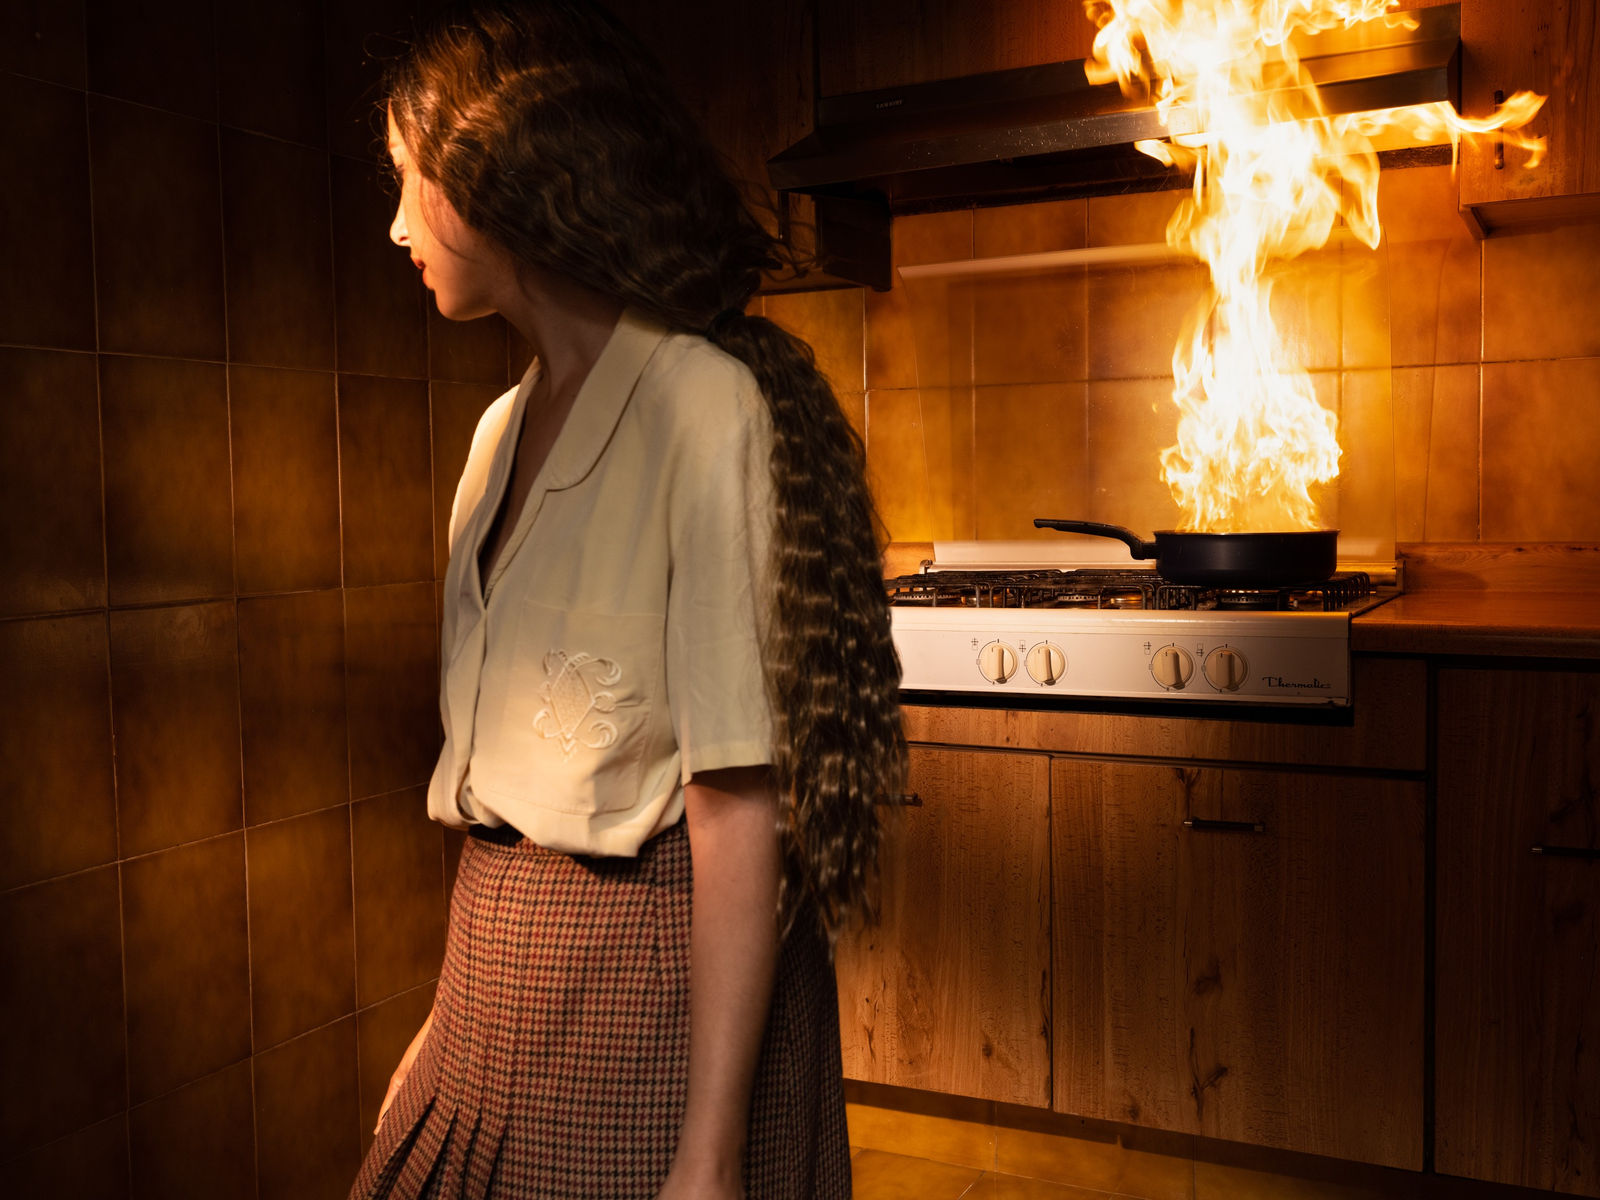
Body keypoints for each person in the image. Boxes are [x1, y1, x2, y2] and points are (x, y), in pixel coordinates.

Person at [348, 2, 905, 1197]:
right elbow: (496, 793)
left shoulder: (696, 405)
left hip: (639, 987)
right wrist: (444, 1033)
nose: (396, 226)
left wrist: (708, 1153)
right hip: (494, 975)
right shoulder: (499, 432)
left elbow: (732, 809)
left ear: (501, 175)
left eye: (408, 181)